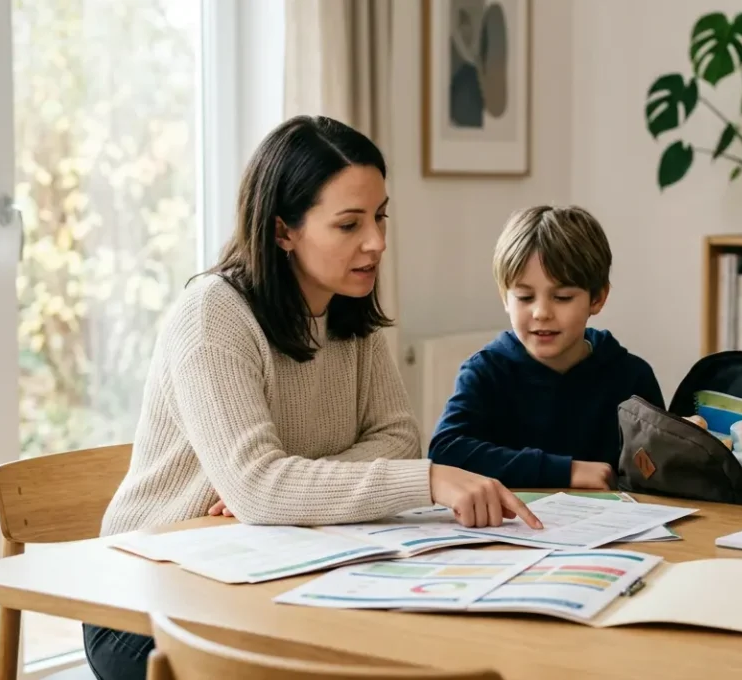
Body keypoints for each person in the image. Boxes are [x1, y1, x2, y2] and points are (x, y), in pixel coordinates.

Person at [83, 115, 540, 680]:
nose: (375, 242)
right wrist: (425, 480)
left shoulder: (349, 308)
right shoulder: (213, 316)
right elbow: (258, 489)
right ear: (283, 231)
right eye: (349, 225)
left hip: (273, 569)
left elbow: (395, 438)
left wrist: (291, 485)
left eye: (380, 216)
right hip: (148, 600)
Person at [427, 205, 665, 489]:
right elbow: (445, 452)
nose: (541, 312)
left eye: (562, 297)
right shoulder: (485, 372)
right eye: (525, 297)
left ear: (597, 299)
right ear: (505, 297)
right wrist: (566, 471)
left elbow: (657, 474)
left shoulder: (631, 377)